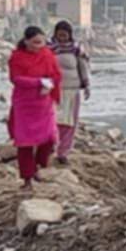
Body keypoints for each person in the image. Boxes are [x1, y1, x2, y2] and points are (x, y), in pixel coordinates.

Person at [9, 26, 62, 189]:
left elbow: (56, 74)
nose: (39, 46)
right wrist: (38, 81)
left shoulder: (48, 55)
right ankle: (26, 179)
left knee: (48, 138)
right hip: (24, 105)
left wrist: (50, 83)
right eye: (35, 43)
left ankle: (38, 167)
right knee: (25, 143)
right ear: (26, 42)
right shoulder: (17, 57)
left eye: (42, 42)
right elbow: (16, 78)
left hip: (43, 102)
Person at [49, 20, 91, 164]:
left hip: (72, 90)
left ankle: (63, 152)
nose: (62, 38)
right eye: (59, 35)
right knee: (54, 120)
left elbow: (83, 68)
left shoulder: (76, 49)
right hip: (54, 90)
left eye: (65, 35)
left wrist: (86, 86)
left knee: (70, 122)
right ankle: (51, 148)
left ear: (69, 35)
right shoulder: (48, 49)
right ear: (55, 34)